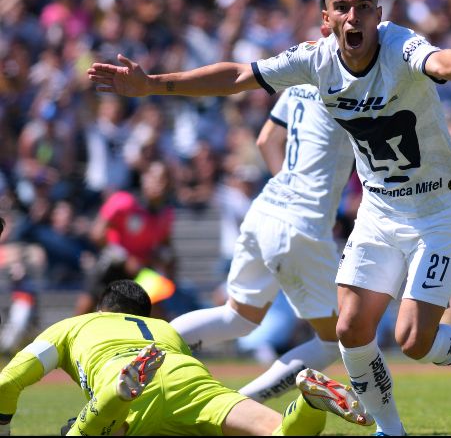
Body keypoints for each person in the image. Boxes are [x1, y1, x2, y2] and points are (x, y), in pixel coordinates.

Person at [87, 0, 451, 434]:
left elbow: (438, 62)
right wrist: (153, 86)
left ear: (378, 14)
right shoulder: (313, 62)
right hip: (378, 208)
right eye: (343, 8)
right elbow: (235, 76)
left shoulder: (400, 43)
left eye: (364, 8)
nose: (354, 17)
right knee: (349, 330)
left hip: (437, 208)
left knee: (413, 339)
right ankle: (390, 430)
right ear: (326, 20)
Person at [170, 81, 356, 403]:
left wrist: (289, 184)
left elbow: (266, 138)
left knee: (237, 317)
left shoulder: (301, 81)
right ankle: (242, 402)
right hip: (302, 224)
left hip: (266, 208)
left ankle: (148, 350)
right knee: (335, 339)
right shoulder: (356, 84)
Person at [0, 279, 372, 436]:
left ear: (101, 310)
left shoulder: (73, 326)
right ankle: (308, 403)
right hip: (189, 378)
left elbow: (6, 383)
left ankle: (115, 396)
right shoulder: (165, 329)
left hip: (129, 390)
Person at [73, 160, 177, 316]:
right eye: (154, 178)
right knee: (84, 311)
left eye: (164, 179)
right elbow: (97, 233)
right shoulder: (124, 202)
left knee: (158, 313)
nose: (159, 184)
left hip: (141, 272)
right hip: (112, 265)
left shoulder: (166, 214)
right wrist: (124, 258)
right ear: (144, 178)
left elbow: (165, 246)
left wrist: (164, 259)